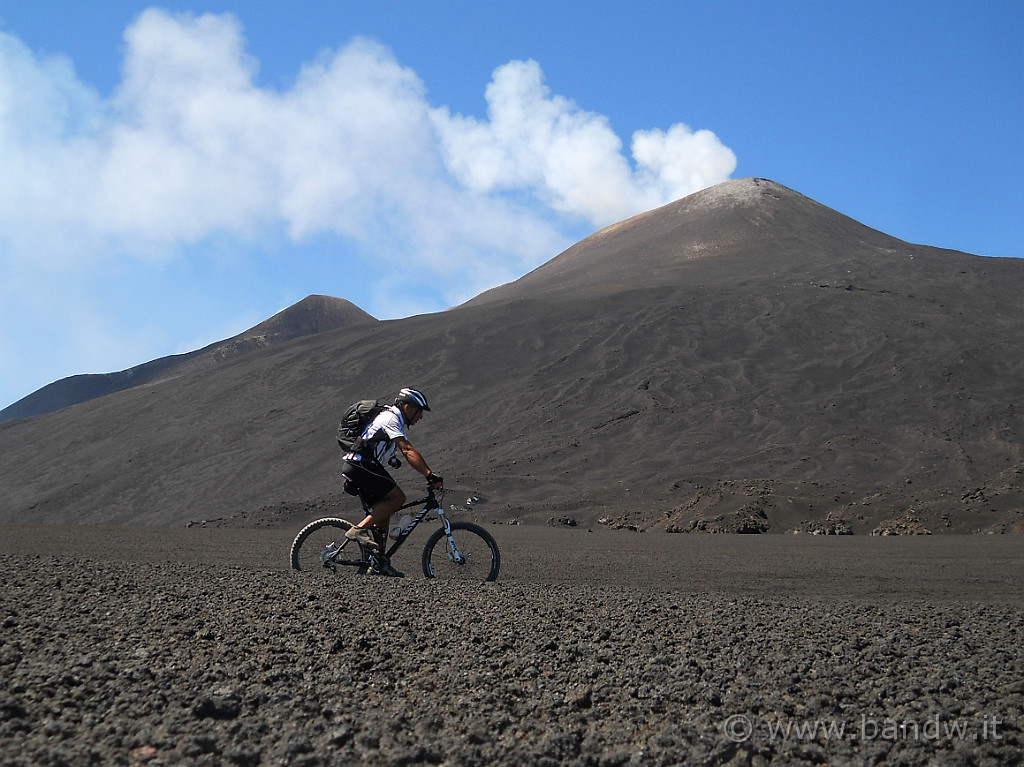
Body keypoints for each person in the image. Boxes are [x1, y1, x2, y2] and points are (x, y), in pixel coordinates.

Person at [340, 387, 443, 576]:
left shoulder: (396, 422)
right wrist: (429, 474)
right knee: (397, 498)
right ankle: (359, 530)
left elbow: (388, 448)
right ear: (407, 407)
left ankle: (379, 564)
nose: (421, 416)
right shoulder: (391, 418)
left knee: (384, 512)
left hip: (363, 466)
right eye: (419, 410)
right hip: (359, 465)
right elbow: (408, 450)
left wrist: (392, 459)